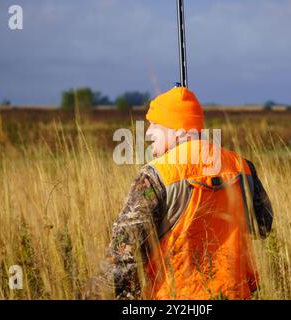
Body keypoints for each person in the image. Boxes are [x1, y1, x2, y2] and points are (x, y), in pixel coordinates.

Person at [88, 86, 273, 300]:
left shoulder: (156, 176)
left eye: (155, 124)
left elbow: (124, 259)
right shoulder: (243, 167)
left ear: (178, 129)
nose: (147, 133)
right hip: (232, 294)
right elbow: (262, 227)